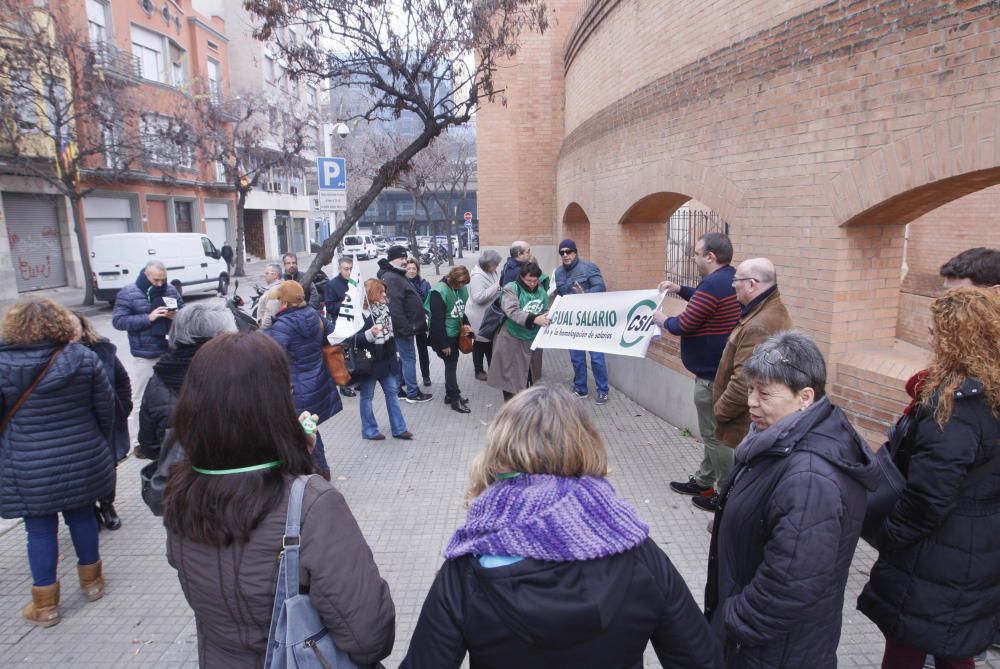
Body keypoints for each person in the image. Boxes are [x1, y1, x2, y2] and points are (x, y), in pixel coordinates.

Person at [400, 385, 723, 668]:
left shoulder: (470, 563)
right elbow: (700, 658)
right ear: (587, 446)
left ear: (499, 452)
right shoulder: (638, 550)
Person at [163, 331, 395, 667]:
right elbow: (369, 635)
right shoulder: (313, 503)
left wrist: (295, 458)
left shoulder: (180, 493)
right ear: (273, 406)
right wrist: (304, 470)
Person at [704, 330, 879, 669]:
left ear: (805, 397)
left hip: (772, 650)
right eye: (751, 389)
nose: (751, 402)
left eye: (765, 393)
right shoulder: (776, 440)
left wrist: (733, 620)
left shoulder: (810, 478)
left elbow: (790, 582)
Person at [858, 287, 1000, 669]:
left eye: (938, 332)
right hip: (979, 542)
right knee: (954, 642)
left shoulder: (956, 405)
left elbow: (929, 495)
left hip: (938, 549)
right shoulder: (992, 392)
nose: (931, 339)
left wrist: (891, 537)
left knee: (909, 641)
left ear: (960, 341)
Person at [1, 296, 115, 627]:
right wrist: (97, 443)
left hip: (27, 462)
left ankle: (46, 605)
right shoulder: (82, 357)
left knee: (38, 528)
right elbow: (105, 409)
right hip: (81, 453)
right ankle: (92, 584)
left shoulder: (3, 364)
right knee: (81, 515)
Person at [653, 233, 740, 511]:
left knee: (716, 436)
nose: (694, 257)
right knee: (713, 433)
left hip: (712, 378)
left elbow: (684, 324)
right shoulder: (728, 278)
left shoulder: (714, 284)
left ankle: (727, 495)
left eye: (697, 253)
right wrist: (680, 288)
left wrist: (661, 318)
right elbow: (703, 301)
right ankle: (705, 480)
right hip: (718, 371)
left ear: (710, 257)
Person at [707, 257, 792, 512]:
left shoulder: (760, 324)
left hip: (747, 420)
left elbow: (743, 378)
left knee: (744, 477)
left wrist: (719, 411)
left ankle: (732, 517)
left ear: (752, 284)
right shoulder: (763, 311)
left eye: (737, 282)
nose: (733, 287)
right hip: (750, 418)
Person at [137, 302, 237, 461]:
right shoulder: (240, 372)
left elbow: (149, 444)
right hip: (234, 475)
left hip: (177, 475)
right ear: (222, 334)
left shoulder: (159, 377)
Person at [266, 281, 343, 479]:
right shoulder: (314, 315)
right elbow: (334, 333)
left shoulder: (283, 325)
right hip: (317, 384)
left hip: (296, 391)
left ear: (285, 303)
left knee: (301, 431)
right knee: (308, 428)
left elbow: (270, 355)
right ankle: (320, 470)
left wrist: (263, 330)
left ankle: (315, 473)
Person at [71, 312, 132, 531]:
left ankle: (107, 505)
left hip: (107, 420)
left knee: (109, 466)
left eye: (74, 326)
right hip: (77, 424)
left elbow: (122, 380)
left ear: (83, 326)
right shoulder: (54, 356)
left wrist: (123, 407)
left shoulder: (102, 349)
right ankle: (89, 510)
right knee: (82, 470)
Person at [112, 259, 183, 442]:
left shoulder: (170, 290)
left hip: (171, 351)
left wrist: (176, 316)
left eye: (163, 279)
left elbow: (184, 312)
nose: (160, 284)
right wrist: (148, 318)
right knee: (142, 397)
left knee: (175, 395)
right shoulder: (128, 293)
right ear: (145, 276)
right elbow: (118, 321)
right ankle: (138, 442)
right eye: (156, 280)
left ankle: (176, 436)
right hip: (145, 354)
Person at [347, 279, 413, 441]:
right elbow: (351, 339)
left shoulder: (384, 310)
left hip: (386, 360)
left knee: (392, 393)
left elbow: (391, 336)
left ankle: (399, 428)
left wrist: (395, 352)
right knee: (367, 396)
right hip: (368, 363)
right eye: (380, 291)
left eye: (385, 291)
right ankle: (369, 431)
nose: (384, 294)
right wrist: (370, 334)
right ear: (370, 294)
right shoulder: (359, 314)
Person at [553, 239, 610, 404]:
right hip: (572, 322)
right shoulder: (558, 273)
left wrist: (584, 293)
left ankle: (603, 390)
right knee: (576, 358)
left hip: (590, 321)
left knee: (597, 357)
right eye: (562, 252)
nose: (565, 255)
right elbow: (561, 295)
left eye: (568, 251)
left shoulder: (588, 267)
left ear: (575, 252)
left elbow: (601, 288)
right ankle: (581, 389)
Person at [377, 246, 432, 403]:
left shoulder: (395, 275)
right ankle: (413, 393)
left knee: (402, 359)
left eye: (405, 258)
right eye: (401, 258)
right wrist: (406, 328)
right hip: (403, 329)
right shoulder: (392, 278)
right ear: (392, 259)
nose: (404, 261)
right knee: (409, 359)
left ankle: (399, 390)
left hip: (403, 328)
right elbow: (394, 308)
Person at [488, 262, 550, 402]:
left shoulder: (541, 291)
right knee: (511, 378)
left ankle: (527, 407)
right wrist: (534, 319)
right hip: (511, 338)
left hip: (532, 340)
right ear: (521, 277)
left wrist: (547, 317)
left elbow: (545, 309)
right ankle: (511, 408)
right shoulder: (511, 288)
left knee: (531, 375)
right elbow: (512, 311)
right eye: (529, 280)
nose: (533, 284)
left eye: (535, 280)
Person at [426, 265, 472, 414]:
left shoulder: (461, 289)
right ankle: (454, 398)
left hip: (456, 334)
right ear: (452, 279)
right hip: (443, 336)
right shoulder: (438, 292)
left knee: (451, 364)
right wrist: (443, 344)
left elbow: (461, 311)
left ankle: (449, 395)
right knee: (451, 365)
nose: (462, 286)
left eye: (464, 284)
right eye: (459, 283)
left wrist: (467, 325)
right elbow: (437, 321)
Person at [323, 256, 358, 397]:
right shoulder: (332, 285)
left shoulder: (356, 282)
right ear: (339, 269)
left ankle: (357, 379)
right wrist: (347, 305)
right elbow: (330, 306)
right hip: (341, 323)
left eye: (350, 269)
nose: (348, 272)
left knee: (356, 351)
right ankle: (345, 385)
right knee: (344, 354)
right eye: (346, 269)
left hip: (356, 322)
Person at [466, 249, 502, 381]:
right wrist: (497, 285)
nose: (497, 267)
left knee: (489, 343)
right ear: (488, 264)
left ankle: (492, 369)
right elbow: (479, 297)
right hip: (478, 316)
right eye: (495, 264)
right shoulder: (477, 276)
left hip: (488, 315)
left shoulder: (489, 271)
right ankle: (479, 370)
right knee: (480, 344)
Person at [406, 259, 433, 387]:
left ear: (417, 270)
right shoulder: (402, 283)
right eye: (409, 268)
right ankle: (407, 379)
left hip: (421, 321)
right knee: (408, 353)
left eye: (414, 268)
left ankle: (426, 376)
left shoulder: (424, 284)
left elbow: (429, 301)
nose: (411, 271)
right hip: (407, 322)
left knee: (423, 351)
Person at [256, 262, 284, 329]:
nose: (265, 275)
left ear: (275, 275)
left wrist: (263, 329)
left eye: (266, 273)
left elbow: (270, 314)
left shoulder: (275, 291)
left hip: (270, 330)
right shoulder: (277, 287)